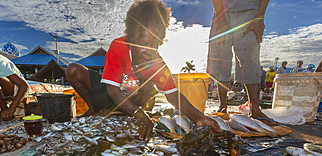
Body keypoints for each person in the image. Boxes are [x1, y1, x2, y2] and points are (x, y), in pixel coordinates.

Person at [66, 0, 220, 141]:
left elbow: (173, 96)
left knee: (151, 97)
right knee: (72, 70)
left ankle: (124, 111)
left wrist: (199, 118)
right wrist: (139, 114)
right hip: (110, 94)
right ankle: (93, 109)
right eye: (144, 43)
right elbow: (112, 89)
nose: (148, 51)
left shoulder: (157, 62)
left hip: (133, 98)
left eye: (154, 45)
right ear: (131, 40)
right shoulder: (119, 46)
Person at [207, 0, 276, 125]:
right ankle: (223, 107)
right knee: (220, 59)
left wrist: (259, 17)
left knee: (250, 58)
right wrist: (220, 17)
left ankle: (255, 109)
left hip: (250, 13)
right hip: (221, 12)